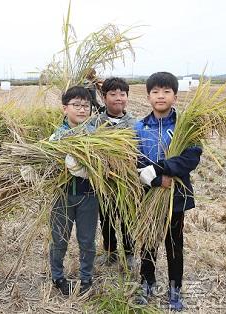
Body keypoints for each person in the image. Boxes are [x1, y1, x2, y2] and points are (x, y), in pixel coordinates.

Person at [134, 72, 202, 311]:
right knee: (148, 241)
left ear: (175, 96)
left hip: (177, 194)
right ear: (148, 96)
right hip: (149, 194)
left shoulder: (186, 125)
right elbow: (135, 160)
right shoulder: (139, 127)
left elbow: (191, 158)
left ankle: (175, 289)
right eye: (155, 92)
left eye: (166, 92)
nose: (160, 96)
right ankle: (147, 283)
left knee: (174, 243)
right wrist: (154, 181)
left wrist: (163, 170)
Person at [49, 86, 99, 296]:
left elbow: (105, 166)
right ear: (64, 108)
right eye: (76, 105)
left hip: (89, 196)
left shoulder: (97, 136)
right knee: (59, 238)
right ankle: (57, 276)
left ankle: (86, 278)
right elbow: (47, 170)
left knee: (87, 240)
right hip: (62, 196)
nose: (81, 110)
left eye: (85, 106)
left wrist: (90, 170)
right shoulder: (55, 138)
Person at [88, 77, 137, 269]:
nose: (118, 98)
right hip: (103, 181)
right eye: (113, 94)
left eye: (122, 94)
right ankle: (110, 252)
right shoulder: (95, 122)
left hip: (127, 181)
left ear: (127, 97)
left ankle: (130, 253)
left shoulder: (134, 124)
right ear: (103, 96)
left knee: (127, 218)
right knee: (106, 218)